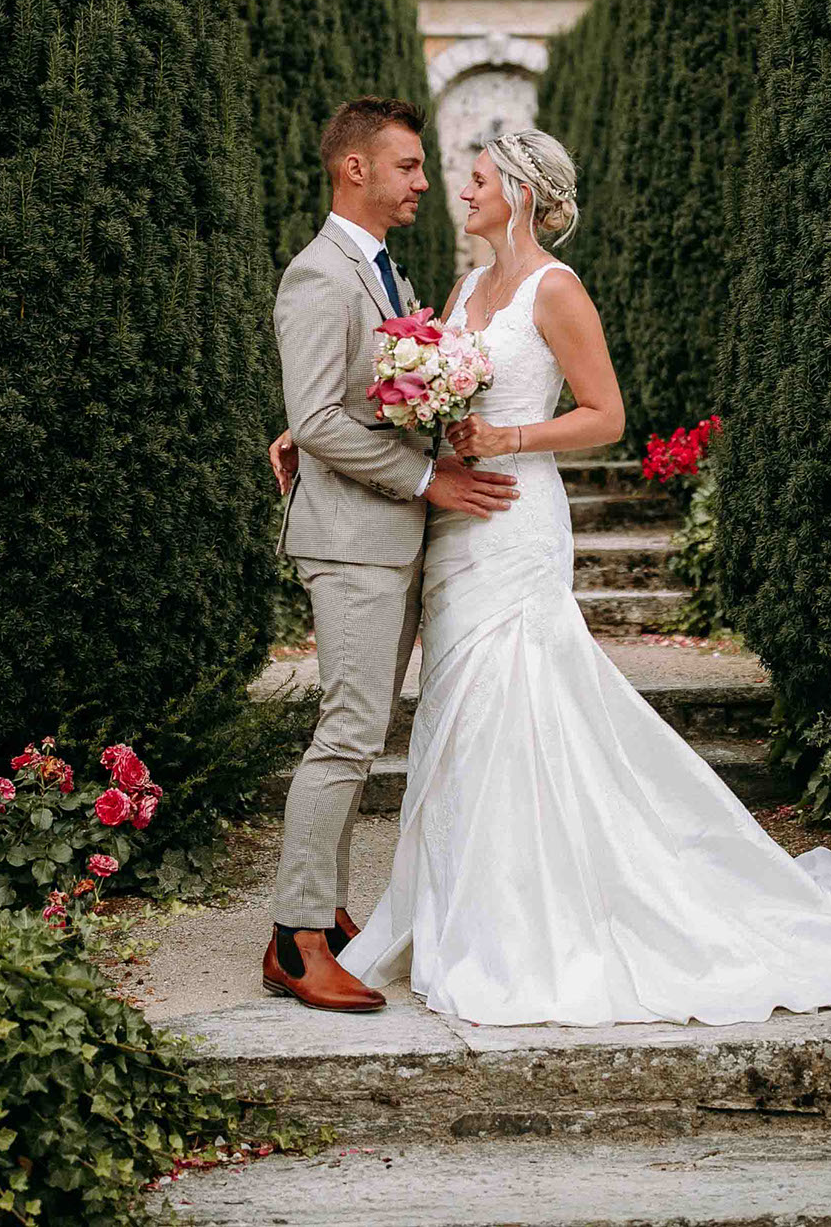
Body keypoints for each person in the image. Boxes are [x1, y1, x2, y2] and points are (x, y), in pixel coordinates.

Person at [336, 128, 831, 1025]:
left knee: (520, 695)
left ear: (518, 189)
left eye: (476, 181)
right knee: (460, 703)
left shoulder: (557, 290)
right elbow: (421, 391)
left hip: (517, 520)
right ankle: (460, 903)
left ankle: (526, 918)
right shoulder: (469, 287)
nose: (462, 193)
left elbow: (606, 415)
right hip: (457, 526)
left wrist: (508, 436)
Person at [262, 97, 520, 1013]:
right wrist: (428, 481)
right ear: (355, 170)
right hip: (354, 542)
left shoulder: (387, 275)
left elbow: (364, 400)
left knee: (363, 732)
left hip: (392, 539)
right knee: (347, 732)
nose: (423, 181)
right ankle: (296, 941)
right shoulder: (318, 275)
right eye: (408, 166)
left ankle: (326, 914)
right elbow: (321, 416)